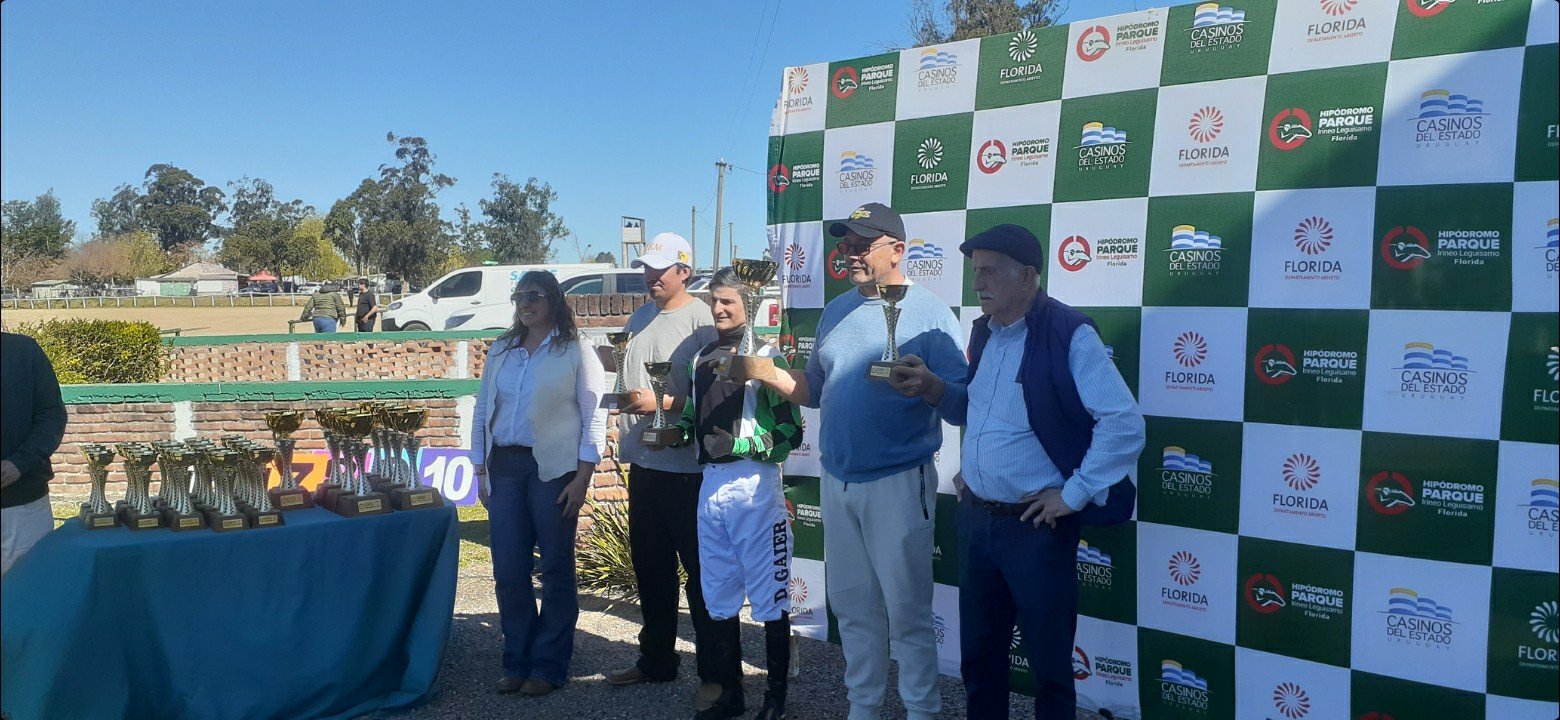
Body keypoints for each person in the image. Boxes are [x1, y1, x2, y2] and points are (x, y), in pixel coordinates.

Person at [889, 224, 1144, 720]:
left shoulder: (1071, 333)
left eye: (988, 271)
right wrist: (932, 388)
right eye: (974, 272)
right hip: (978, 522)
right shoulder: (984, 332)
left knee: (1050, 668)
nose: (977, 283)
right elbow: (979, 410)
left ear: (1027, 276)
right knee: (980, 661)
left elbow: (1124, 423)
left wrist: (1075, 493)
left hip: (1036, 528)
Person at [756, 203, 967, 720]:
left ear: (897, 250)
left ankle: (921, 711)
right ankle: (864, 709)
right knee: (852, 608)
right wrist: (768, 372)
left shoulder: (933, 313)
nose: (847, 253)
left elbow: (965, 402)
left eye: (859, 244)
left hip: (900, 481)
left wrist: (934, 387)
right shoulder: (836, 310)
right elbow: (815, 389)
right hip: (838, 479)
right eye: (845, 243)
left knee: (909, 614)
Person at [650, 266, 804, 720]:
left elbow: (790, 435)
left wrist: (740, 444)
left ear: (748, 305)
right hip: (710, 486)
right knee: (716, 594)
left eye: (728, 302)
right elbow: (694, 419)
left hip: (755, 486)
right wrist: (673, 433)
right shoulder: (701, 358)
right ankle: (731, 694)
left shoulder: (766, 358)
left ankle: (775, 700)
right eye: (715, 301)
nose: (718, 309)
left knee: (771, 595)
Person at [602, 232, 729, 712]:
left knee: (701, 578)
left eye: (659, 268)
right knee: (651, 570)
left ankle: (715, 674)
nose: (650, 276)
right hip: (647, 464)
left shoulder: (703, 320)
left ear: (684, 271)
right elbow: (629, 382)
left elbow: (717, 395)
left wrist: (663, 405)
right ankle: (655, 660)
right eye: (645, 267)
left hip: (690, 470)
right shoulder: (639, 317)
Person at [470, 270, 608, 697]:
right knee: (509, 569)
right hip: (506, 467)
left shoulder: (575, 349)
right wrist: (480, 469)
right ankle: (517, 660)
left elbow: (595, 413)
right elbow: (481, 411)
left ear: (554, 300)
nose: (525, 303)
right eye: (519, 296)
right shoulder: (502, 348)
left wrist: (584, 476)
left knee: (554, 568)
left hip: (553, 470)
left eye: (535, 295)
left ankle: (549, 665)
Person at [1, 332, 67, 576]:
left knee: (29, 598)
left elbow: (51, 416)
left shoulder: (24, 351)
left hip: (23, 505)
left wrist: (18, 464)